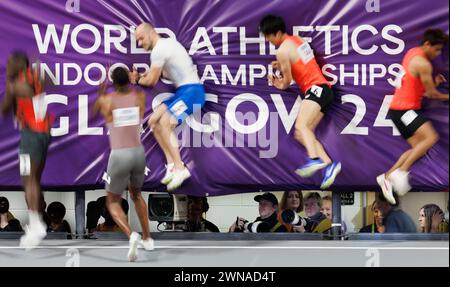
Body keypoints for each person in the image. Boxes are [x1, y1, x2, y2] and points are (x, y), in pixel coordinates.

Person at [258, 15, 341, 189]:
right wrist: (281, 65)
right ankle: (329, 164)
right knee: (303, 134)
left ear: (278, 33)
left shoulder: (281, 51)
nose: (267, 40)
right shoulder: (297, 40)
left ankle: (314, 159)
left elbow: (287, 82)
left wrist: (278, 83)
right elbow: (302, 64)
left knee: (301, 127)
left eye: (269, 36)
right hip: (324, 90)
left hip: (315, 89)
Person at [129, 23, 206, 191]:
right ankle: (171, 165)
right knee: (153, 121)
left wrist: (136, 80)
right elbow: (159, 74)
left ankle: (180, 168)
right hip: (183, 92)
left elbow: (151, 81)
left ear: (152, 33)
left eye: (141, 39)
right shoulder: (166, 45)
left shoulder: (159, 50)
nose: (140, 44)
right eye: (137, 41)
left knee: (165, 124)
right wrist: (141, 76)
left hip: (192, 93)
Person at [377, 29, 449, 204]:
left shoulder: (412, 53)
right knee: (431, 137)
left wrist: (434, 82)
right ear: (427, 45)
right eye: (437, 49)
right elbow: (432, 95)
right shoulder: (424, 64)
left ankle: (386, 178)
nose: (438, 54)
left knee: (417, 148)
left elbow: (416, 86)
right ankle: (401, 172)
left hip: (400, 110)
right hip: (404, 111)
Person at [92, 66, 153, 262]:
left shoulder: (107, 100)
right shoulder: (139, 97)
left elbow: (94, 111)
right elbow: (139, 107)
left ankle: (131, 235)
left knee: (112, 202)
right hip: (138, 153)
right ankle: (147, 237)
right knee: (136, 195)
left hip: (119, 155)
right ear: (128, 79)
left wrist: (101, 91)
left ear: (112, 82)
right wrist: (133, 82)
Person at [1, 51, 53, 249]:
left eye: (9, 64)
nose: (7, 67)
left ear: (18, 64)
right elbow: (51, 81)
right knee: (35, 181)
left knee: (27, 180)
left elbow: (4, 108)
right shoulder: (36, 77)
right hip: (44, 135)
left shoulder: (17, 85)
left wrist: (8, 82)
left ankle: (36, 223)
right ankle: (37, 221)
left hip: (30, 135)